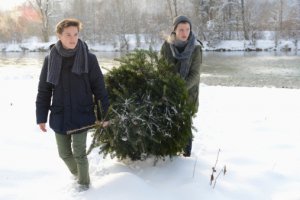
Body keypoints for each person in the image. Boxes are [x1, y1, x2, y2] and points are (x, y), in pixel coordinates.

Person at [35, 18, 110, 190]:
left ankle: (85, 187)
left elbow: (99, 89)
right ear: (59, 35)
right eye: (68, 34)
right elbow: (44, 91)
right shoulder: (50, 59)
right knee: (64, 154)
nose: (72, 38)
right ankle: (79, 175)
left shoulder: (89, 58)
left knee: (79, 153)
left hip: (81, 114)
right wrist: (41, 117)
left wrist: (104, 115)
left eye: (75, 34)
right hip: (59, 114)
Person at [160, 15, 202, 157]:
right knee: (169, 121)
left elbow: (195, 74)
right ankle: (170, 153)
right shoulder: (167, 46)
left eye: (187, 29)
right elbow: (161, 69)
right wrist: (168, 88)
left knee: (185, 125)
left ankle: (186, 156)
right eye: (181, 30)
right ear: (175, 30)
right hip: (168, 93)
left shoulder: (196, 48)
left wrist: (179, 88)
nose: (185, 33)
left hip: (187, 93)